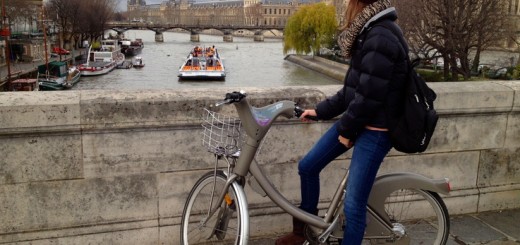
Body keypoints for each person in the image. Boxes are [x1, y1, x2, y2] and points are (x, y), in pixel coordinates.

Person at [275, 0, 408, 244]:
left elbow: (370, 96)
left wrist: (347, 130)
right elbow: (351, 92)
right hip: (359, 120)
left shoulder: (380, 36)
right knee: (308, 166)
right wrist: (319, 111)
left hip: (376, 129)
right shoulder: (369, 30)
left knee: (354, 205)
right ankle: (304, 233)